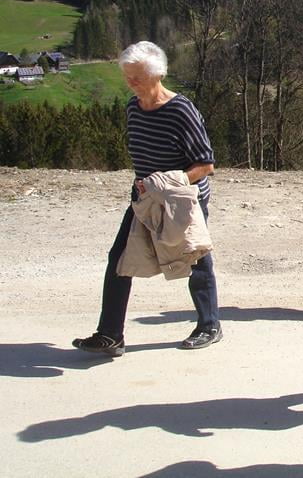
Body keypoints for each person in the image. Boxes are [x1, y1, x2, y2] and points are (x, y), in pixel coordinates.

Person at [72, 41, 221, 356]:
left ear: (158, 75)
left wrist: (166, 183)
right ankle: (110, 335)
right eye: (127, 76)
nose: (131, 83)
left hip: (183, 199)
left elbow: (205, 165)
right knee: (119, 258)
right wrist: (149, 188)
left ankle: (210, 325)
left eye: (137, 77)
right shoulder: (133, 107)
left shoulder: (181, 111)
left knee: (195, 258)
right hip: (144, 198)